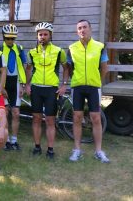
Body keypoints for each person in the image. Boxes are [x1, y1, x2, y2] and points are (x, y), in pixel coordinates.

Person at [67, 19, 110, 163]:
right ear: (77, 31)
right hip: (78, 87)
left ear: (90, 29)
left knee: (96, 118)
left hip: (93, 87)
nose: (82, 30)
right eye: (79, 28)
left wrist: (98, 82)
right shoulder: (72, 48)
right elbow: (69, 68)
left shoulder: (99, 47)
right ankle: (77, 150)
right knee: (77, 117)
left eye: (85, 27)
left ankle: (98, 151)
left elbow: (104, 68)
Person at [25, 22, 69, 159]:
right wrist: (27, 85)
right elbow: (28, 69)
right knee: (36, 119)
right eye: (40, 34)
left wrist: (64, 85)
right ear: (37, 36)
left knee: (50, 120)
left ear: (50, 35)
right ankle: (37, 146)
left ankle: (50, 149)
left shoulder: (59, 51)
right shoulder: (31, 52)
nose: (42, 37)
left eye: (45, 34)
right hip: (36, 88)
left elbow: (66, 68)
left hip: (51, 90)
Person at [0, 24, 27, 151]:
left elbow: (24, 67)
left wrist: (22, 84)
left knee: (16, 112)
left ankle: (14, 140)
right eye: (8, 38)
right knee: (5, 112)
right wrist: (0, 87)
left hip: (16, 81)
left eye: (12, 38)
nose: (10, 41)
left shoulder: (19, 48)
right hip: (4, 82)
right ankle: (6, 140)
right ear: (4, 37)